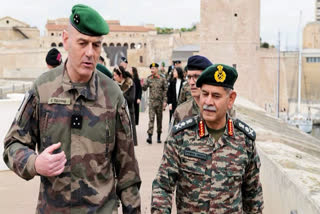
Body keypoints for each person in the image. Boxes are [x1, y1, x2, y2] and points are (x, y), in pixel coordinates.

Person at [3, 4, 141, 213]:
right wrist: (35, 163)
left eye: (96, 45)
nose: (89, 53)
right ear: (65, 40)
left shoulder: (113, 95)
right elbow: (12, 145)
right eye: (82, 43)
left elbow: (127, 171)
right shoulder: (43, 89)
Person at [151, 64, 264, 213]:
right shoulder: (181, 136)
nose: (208, 102)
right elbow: (163, 186)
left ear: (231, 99)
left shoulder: (244, 140)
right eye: (205, 94)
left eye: (216, 96)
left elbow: (253, 195)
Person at [172, 55, 212, 125]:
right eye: (189, 77)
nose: (191, 82)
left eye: (196, 77)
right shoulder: (181, 112)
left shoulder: (220, 110)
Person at [142, 62, 168, 144]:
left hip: (160, 103)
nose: (152, 70)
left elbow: (165, 90)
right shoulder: (149, 78)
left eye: (153, 68)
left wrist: (165, 101)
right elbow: (144, 88)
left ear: (157, 69)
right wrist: (144, 83)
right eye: (151, 68)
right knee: (151, 119)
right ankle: (149, 136)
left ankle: (159, 136)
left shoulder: (162, 79)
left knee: (159, 120)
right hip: (152, 102)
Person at [113, 66, 138, 146]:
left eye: (115, 75)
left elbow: (131, 99)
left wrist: (120, 95)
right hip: (116, 113)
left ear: (120, 76)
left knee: (129, 138)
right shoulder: (114, 84)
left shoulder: (130, 83)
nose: (113, 77)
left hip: (128, 112)